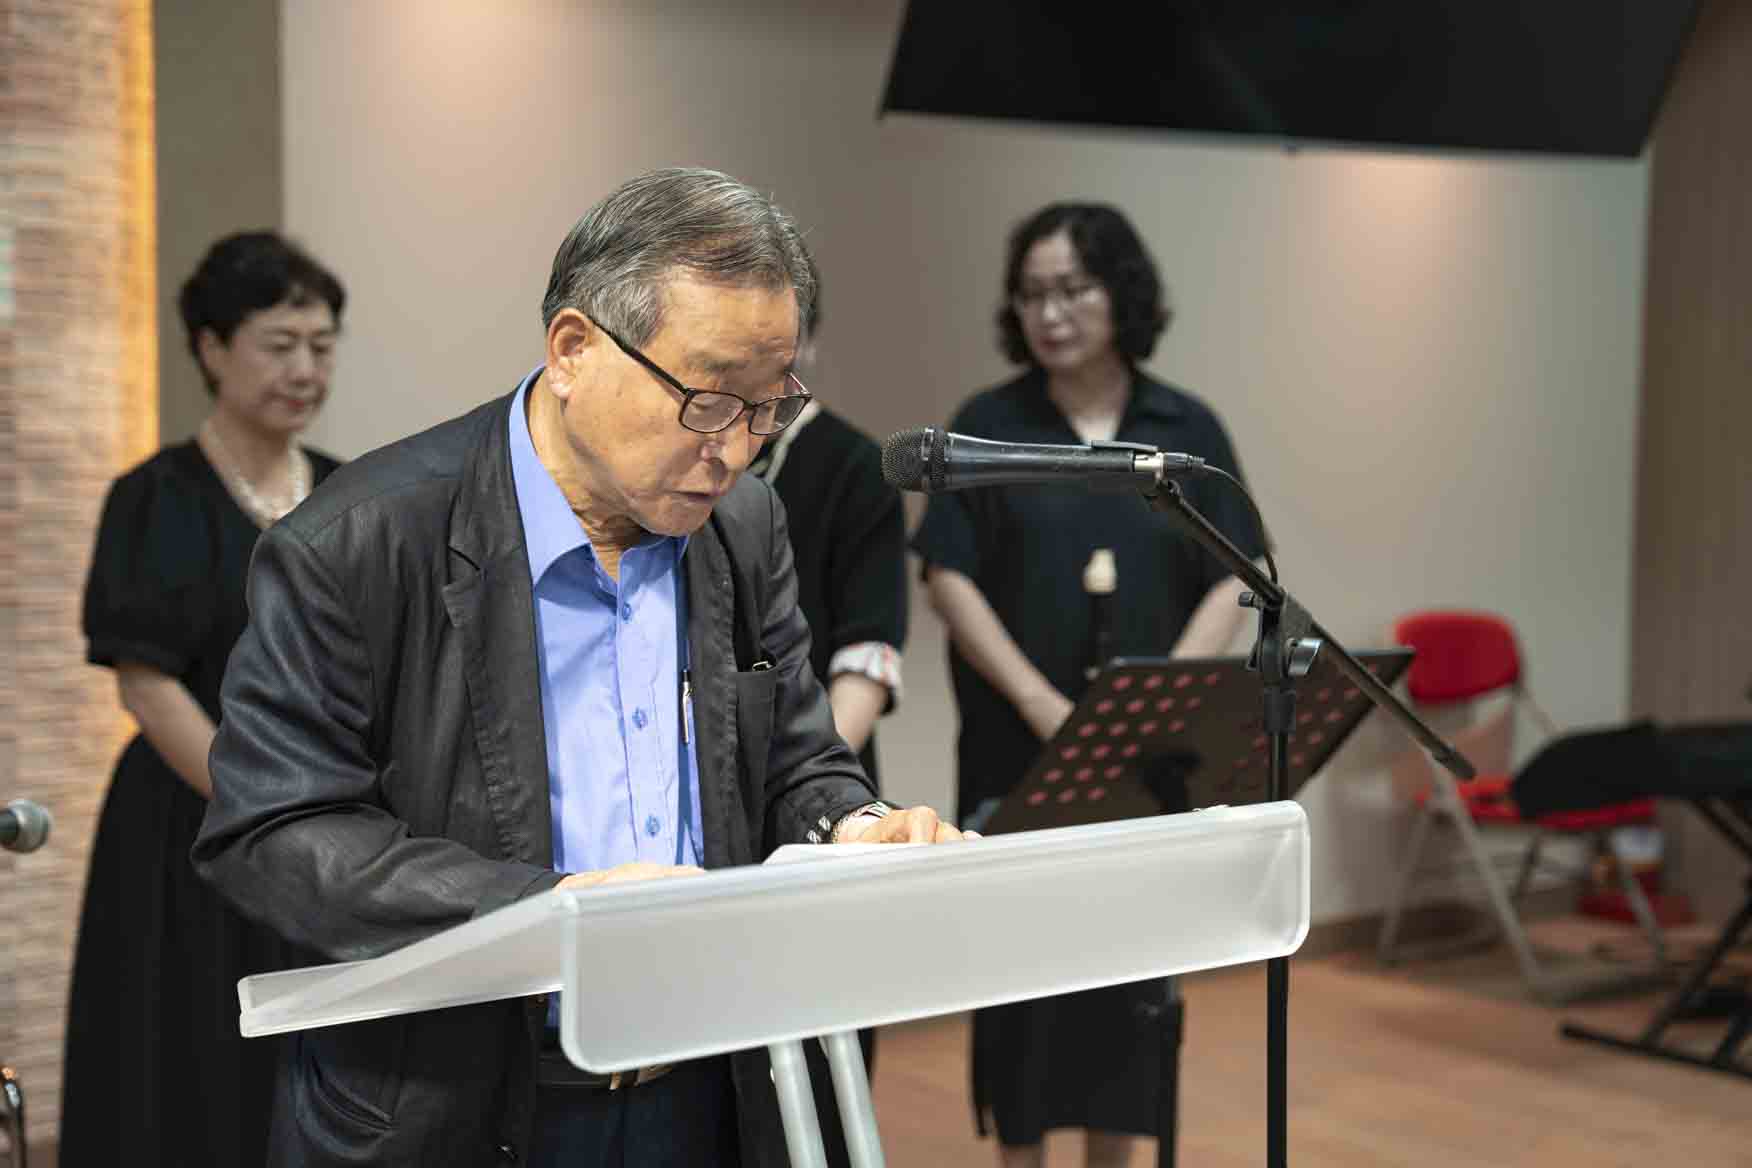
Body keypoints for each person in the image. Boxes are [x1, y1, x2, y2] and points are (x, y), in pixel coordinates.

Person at [191, 168, 970, 1168]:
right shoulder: (356, 545)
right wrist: (558, 908)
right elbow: (273, 833)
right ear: (572, 350)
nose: (735, 450)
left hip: (704, 1085)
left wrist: (853, 825)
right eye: (706, 401)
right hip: (454, 1101)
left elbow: (792, 761)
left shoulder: (743, 526)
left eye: (768, 407)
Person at [911, 203, 1267, 1167]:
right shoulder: (991, 426)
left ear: (1122, 294)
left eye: (1072, 289)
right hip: (1018, 755)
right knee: (1023, 998)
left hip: (1145, 764)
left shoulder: (1184, 427)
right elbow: (948, 576)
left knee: (1128, 1002)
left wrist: (1149, 704)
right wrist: (1046, 708)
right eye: (1032, 294)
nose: (1051, 312)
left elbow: (1235, 575)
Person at [63, 232, 346, 1167]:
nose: (305, 369)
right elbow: (146, 684)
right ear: (212, 348)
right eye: (279, 344)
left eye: (322, 345)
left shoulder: (352, 494)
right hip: (188, 824)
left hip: (325, 827)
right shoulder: (152, 498)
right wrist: (256, 800)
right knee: (184, 1067)